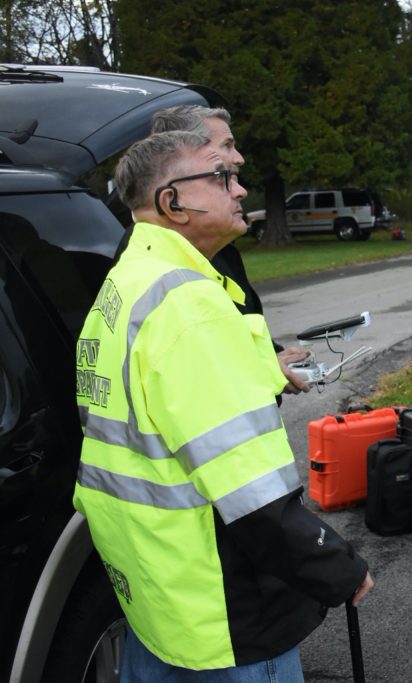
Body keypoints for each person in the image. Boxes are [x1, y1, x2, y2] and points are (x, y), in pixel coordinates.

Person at [73, 131, 372, 679]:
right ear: (173, 201)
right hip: (223, 605)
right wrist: (336, 565)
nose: (241, 189)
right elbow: (251, 491)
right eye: (221, 177)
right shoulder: (187, 305)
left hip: (159, 594)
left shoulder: (129, 279)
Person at [116, 105, 310, 394]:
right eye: (226, 147)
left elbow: (229, 330)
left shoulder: (207, 240)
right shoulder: (167, 277)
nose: (239, 159)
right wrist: (266, 368)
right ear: (182, 149)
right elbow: (194, 374)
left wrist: (270, 355)